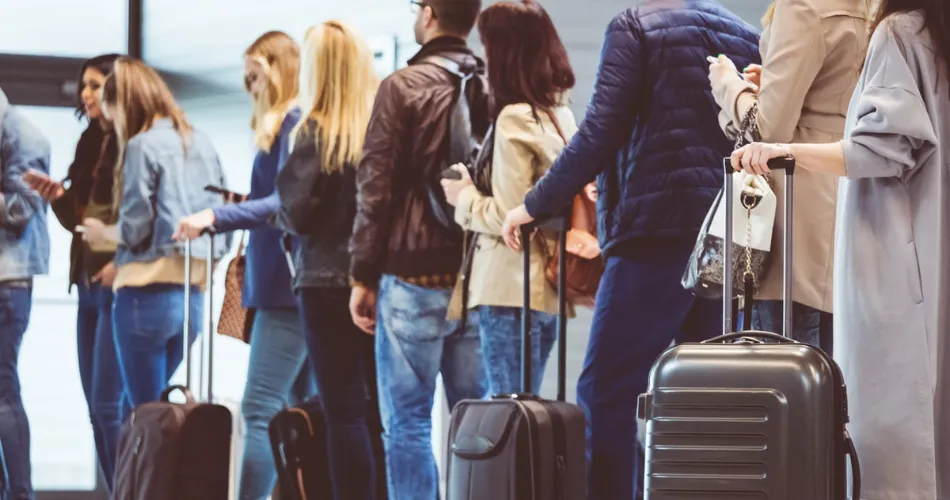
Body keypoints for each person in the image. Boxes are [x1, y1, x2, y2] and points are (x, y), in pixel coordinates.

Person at [500, 2, 760, 498]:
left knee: (607, 391)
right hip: (726, 234)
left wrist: (533, 205)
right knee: (704, 397)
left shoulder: (635, 25)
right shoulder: (744, 33)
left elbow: (600, 129)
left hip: (655, 234)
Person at [731, 2, 950, 497]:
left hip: (898, 256)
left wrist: (783, 150)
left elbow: (880, 149)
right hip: (931, 254)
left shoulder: (901, 31)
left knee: (890, 432)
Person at [347, 0, 490, 497]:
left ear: (428, 14)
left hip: (411, 275)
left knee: (407, 422)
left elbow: (375, 188)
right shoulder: (495, 83)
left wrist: (362, 275)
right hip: (480, 274)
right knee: (477, 421)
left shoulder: (401, 87)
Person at [175, 31, 316, 500]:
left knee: (260, 409)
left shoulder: (293, 123)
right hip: (283, 286)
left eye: (254, 76)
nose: (248, 86)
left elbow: (284, 202)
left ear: (277, 69)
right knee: (299, 410)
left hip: (284, 289)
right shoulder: (288, 126)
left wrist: (217, 215)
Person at [708, 0, 869, 354]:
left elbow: (766, 129)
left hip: (793, 217)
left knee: (781, 379)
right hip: (846, 206)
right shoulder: (871, 8)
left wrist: (728, 86)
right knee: (828, 380)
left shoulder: (803, 7)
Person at [441, 0, 577, 396]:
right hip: (546, 287)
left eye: (487, 44)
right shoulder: (557, 114)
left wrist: (464, 197)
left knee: (508, 413)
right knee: (527, 410)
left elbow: (510, 213)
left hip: (509, 286)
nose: (483, 55)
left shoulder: (514, 117)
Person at [84, 57, 229, 407]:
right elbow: (222, 218)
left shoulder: (141, 145)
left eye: (113, 113)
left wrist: (104, 233)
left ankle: (138, 467)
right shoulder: (202, 142)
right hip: (192, 300)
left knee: (141, 417)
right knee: (161, 415)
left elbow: (135, 228)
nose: (115, 124)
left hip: (143, 297)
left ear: (124, 105)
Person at [275, 20, 381, 500]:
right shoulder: (382, 129)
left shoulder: (313, 131)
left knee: (343, 412)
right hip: (381, 280)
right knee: (383, 413)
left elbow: (295, 213)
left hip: (323, 282)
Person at [23, 53, 130, 491]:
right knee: (95, 406)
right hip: (87, 284)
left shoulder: (133, 144)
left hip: (120, 286)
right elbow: (81, 223)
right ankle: (120, 488)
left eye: (94, 85)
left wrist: (120, 258)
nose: (86, 94)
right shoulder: (90, 142)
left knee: (110, 407)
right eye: (83, 85)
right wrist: (57, 197)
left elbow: (136, 222)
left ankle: (132, 490)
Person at [0, 86, 51, 500]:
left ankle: (20, 494)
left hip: (7, 282)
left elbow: (19, 211)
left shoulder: (24, 135)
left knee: (3, 391)